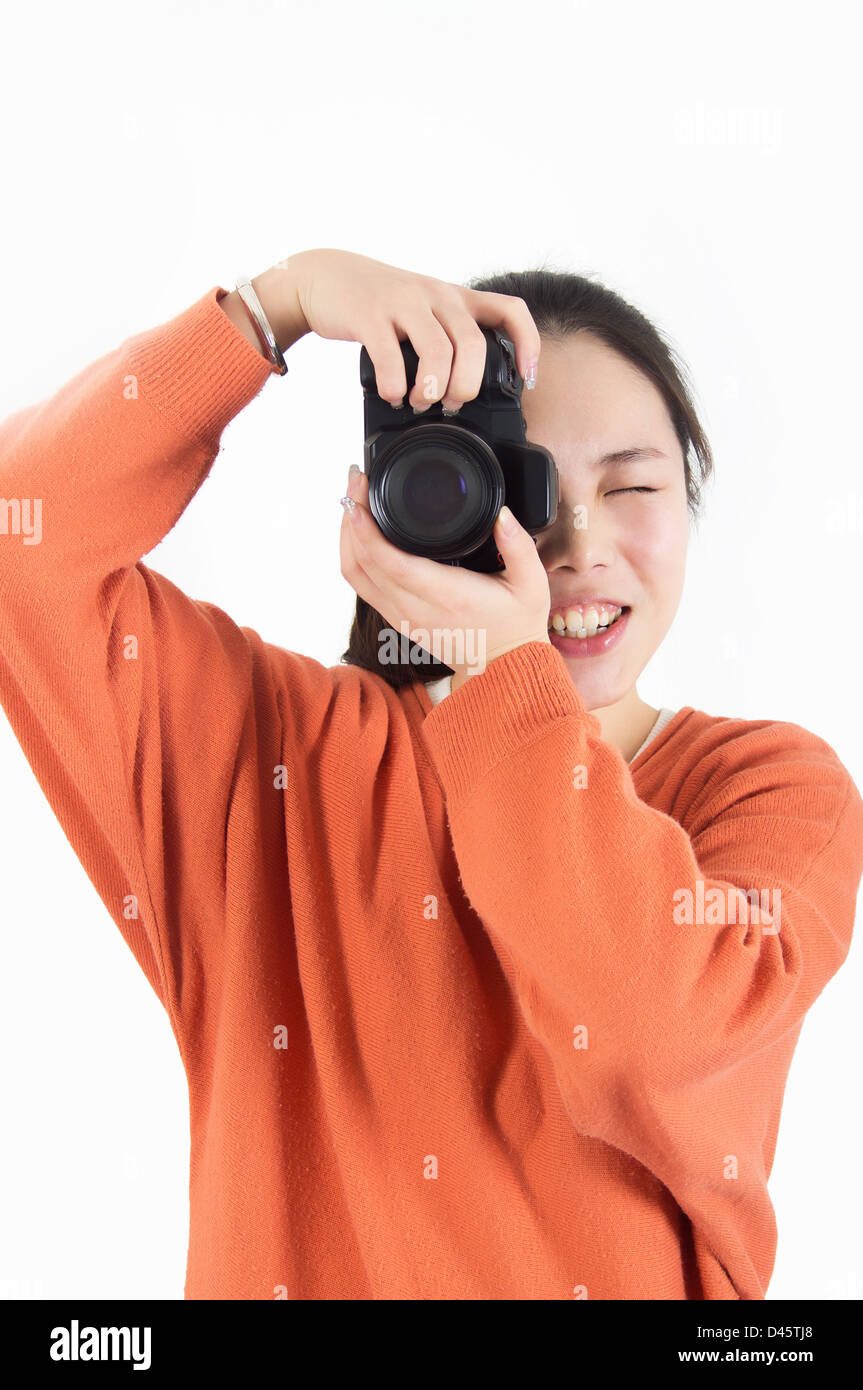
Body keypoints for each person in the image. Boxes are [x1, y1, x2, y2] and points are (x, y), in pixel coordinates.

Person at [1, 248, 860, 1300]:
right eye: (522, 490)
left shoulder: (770, 790)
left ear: (688, 499)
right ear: (423, 502)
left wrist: (503, 678)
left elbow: (651, 1036)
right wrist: (276, 307)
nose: (577, 543)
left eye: (631, 483)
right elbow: (17, 537)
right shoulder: (273, 761)